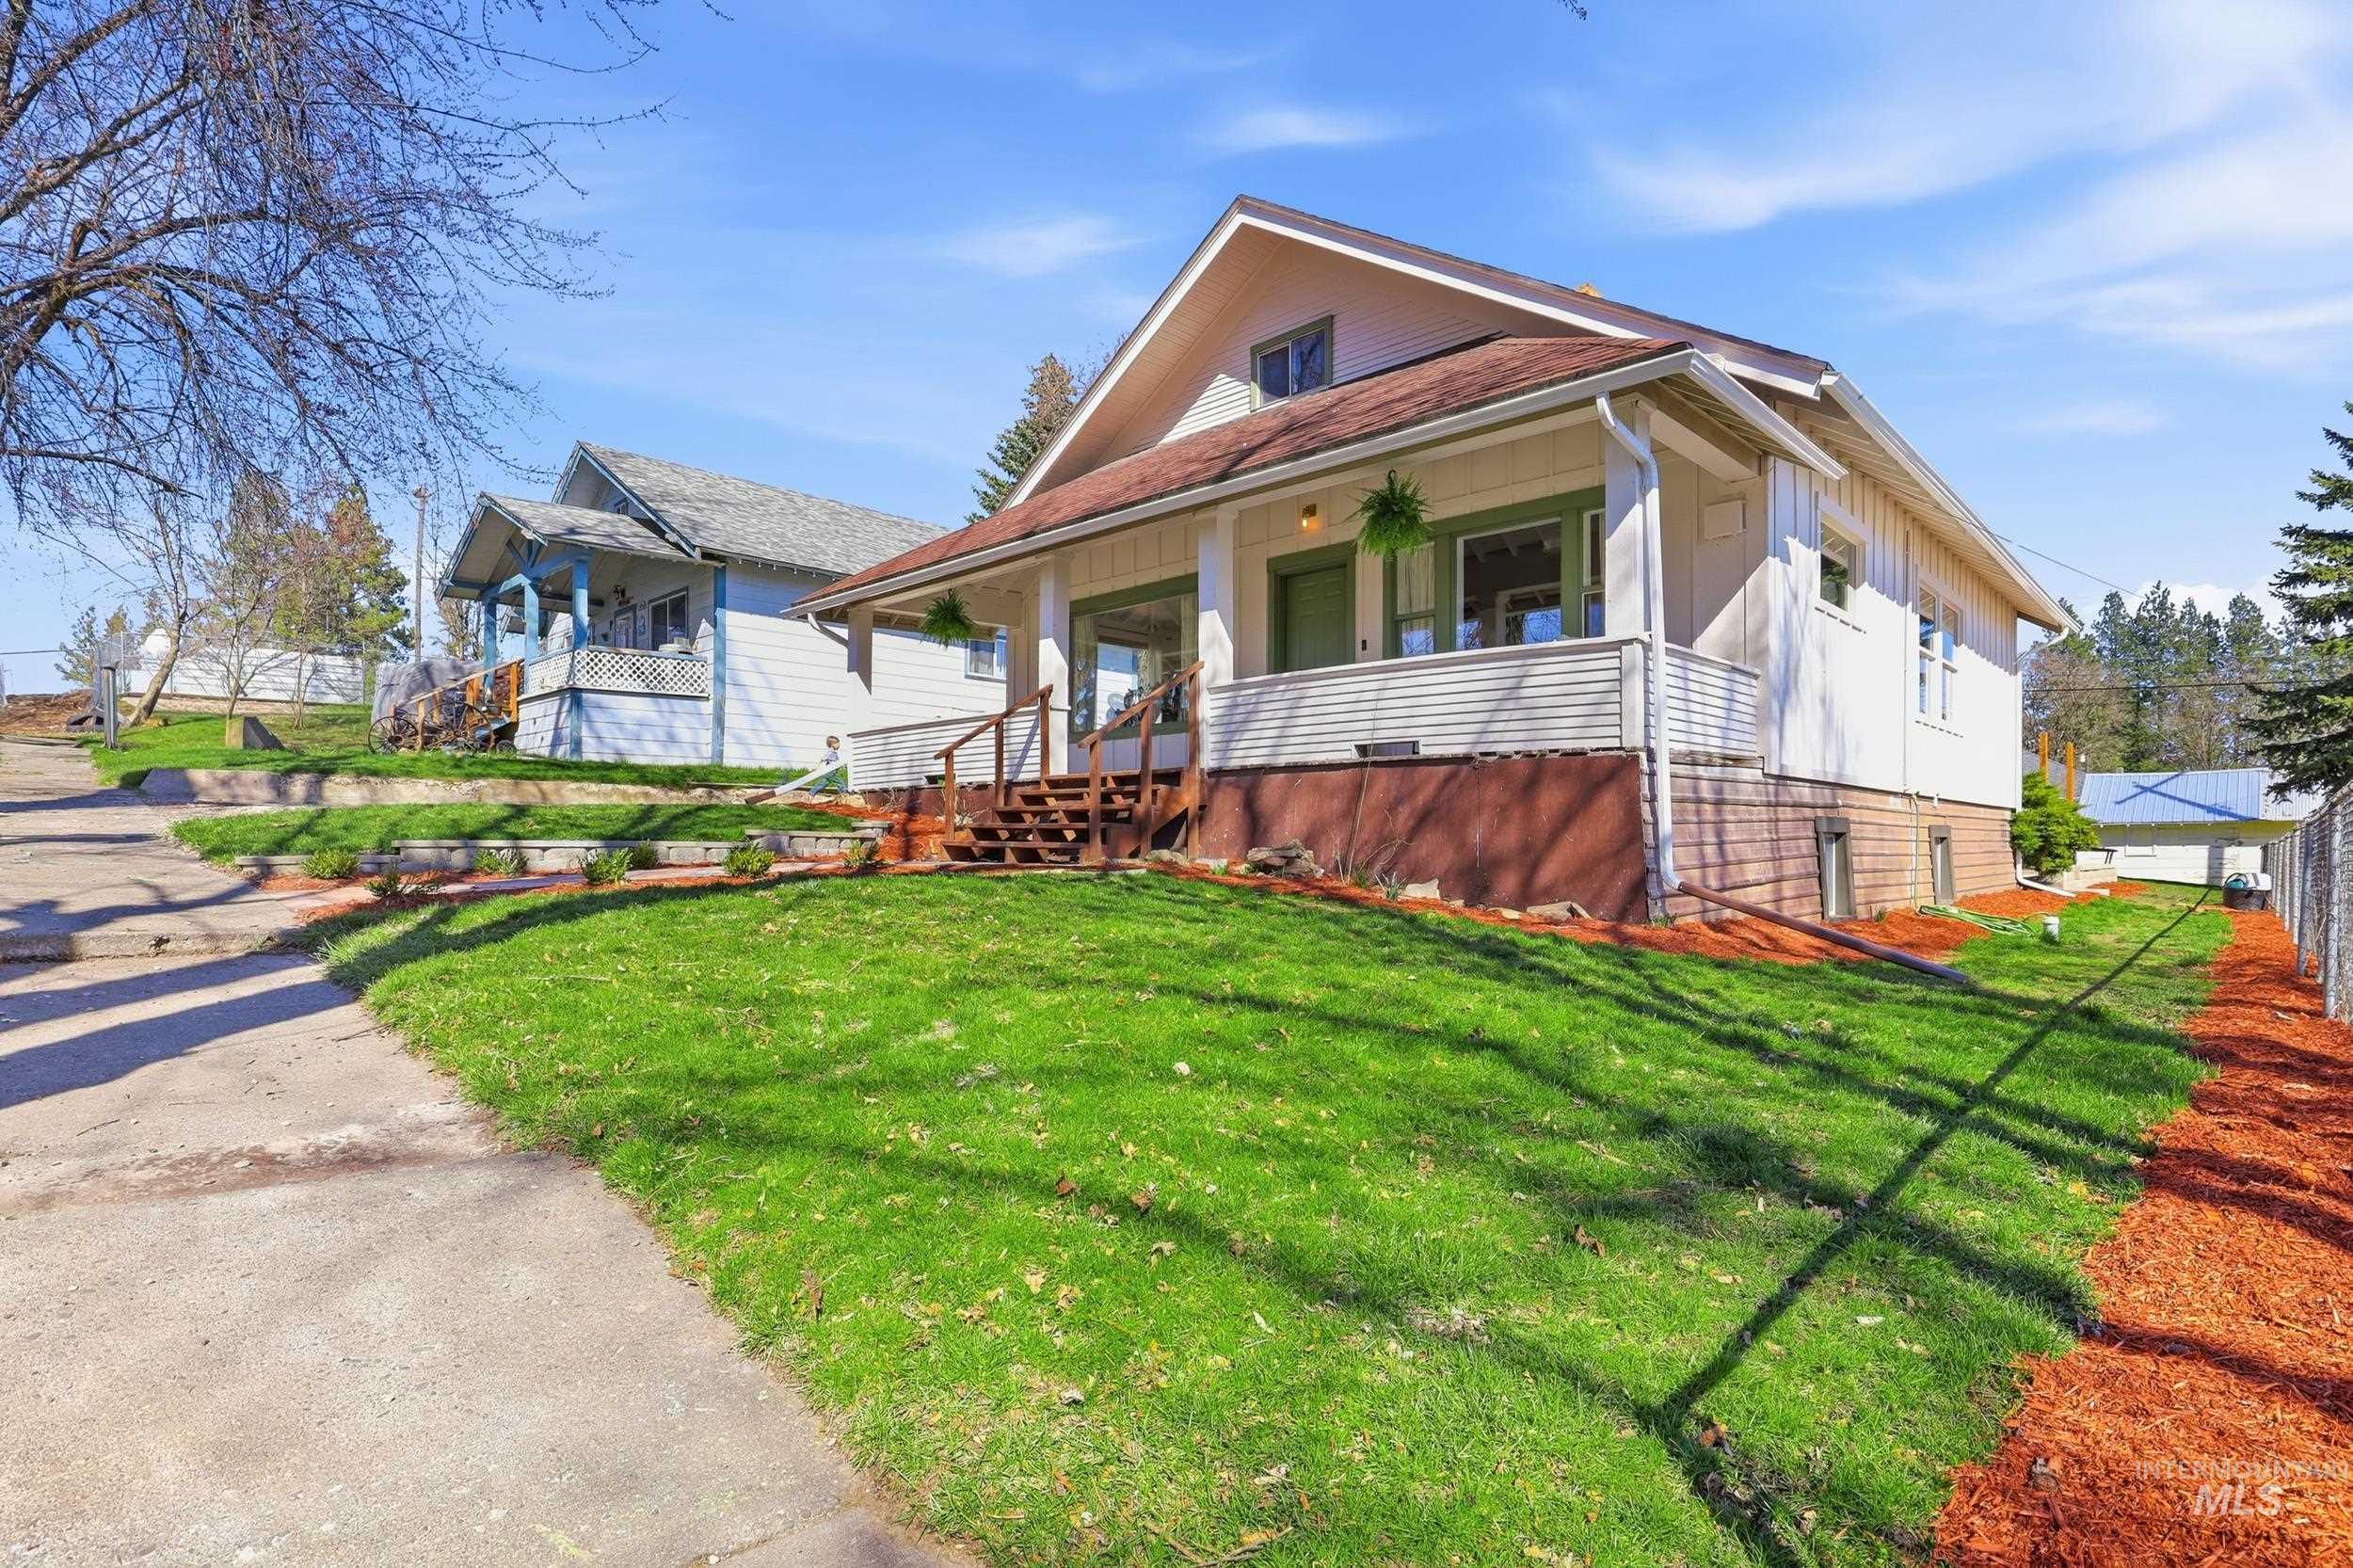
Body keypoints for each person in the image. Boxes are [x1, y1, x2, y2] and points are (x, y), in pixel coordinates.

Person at [746, 736, 842, 804]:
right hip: (830, 772)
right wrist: (817, 767)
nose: (839, 745)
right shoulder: (830, 752)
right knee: (839, 782)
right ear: (833, 745)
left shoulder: (833, 752)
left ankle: (811, 794)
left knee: (823, 784)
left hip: (831, 772)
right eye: (838, 743)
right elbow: (822, 758)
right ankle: (844, 792)